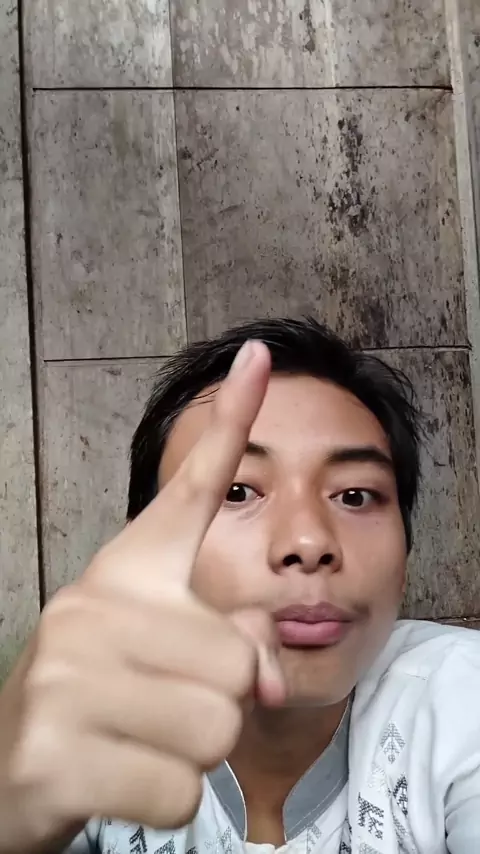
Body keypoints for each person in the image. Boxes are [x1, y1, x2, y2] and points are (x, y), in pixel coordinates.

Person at [0, 317, 479, 854]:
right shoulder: (92, 734)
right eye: (237, 491)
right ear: (144, 551)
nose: (309, 541)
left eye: (354, 496)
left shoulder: (461, 700)